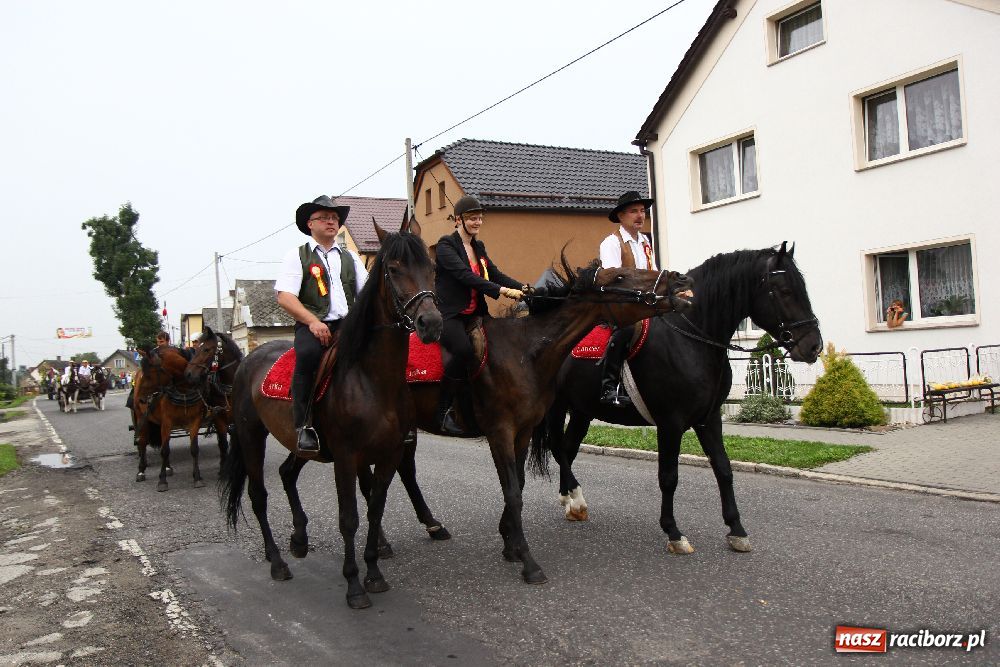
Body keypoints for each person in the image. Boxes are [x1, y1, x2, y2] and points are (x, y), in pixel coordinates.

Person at [274, 195, 368, 453]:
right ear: (310, 224)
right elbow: (285, 296)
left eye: (335, 218)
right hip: (312, 326)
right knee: (307, 356)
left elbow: (367, 293)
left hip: (347, 326)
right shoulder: (297, 256)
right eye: (325, 217)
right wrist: (313, 322)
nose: (332, 222)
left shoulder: (350, 257)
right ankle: (304, 425)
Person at [434, 195, 527, 435]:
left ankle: (490, 402)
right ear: (458, 220)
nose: (477, 222)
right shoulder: (445, 246)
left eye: (479, 218)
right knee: (464, 350)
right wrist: (502, 292)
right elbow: (466, 276)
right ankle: (443, 411)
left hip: (475, 313)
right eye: (472, 218)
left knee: (500, 344)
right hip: (449, 315)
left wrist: (524, 288)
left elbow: (494, 273)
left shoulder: (479, 247)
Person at [597, 190, 658, 406]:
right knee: (628, 329)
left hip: (646, 304)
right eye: (634, 211)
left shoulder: (645, 242)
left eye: (642, 211)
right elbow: (612, 279)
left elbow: (654, 274)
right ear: (621, 216)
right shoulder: (611, 243)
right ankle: (609, 386)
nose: (640, 215)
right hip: (621, 303)